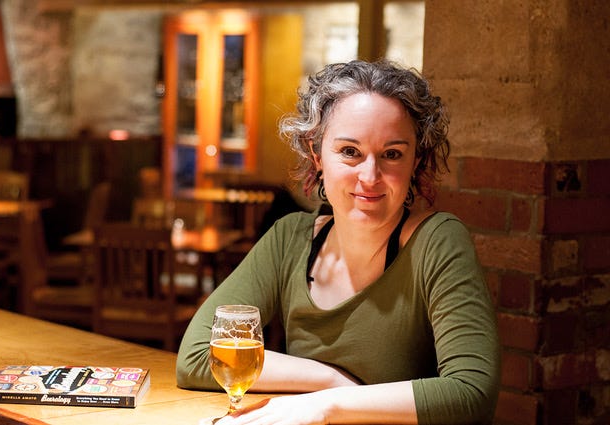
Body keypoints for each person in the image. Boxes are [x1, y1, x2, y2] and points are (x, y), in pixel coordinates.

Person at [177, 60, 500, 425]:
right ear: (317, 155)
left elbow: (472, 394)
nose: (370, 176)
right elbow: (198, 355)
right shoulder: (289, 238)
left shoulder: (438, 241)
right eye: (350, 151)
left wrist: (328, 405)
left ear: (416, 161)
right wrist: (329, 379)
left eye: (392, 154)